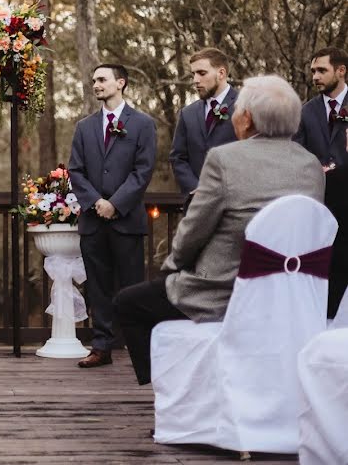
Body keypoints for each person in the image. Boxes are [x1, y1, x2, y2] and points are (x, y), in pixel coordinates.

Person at [115, 75, 324, 385]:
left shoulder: (225, 159)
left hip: (226, 291)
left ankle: (173, 398)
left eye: (239, 110)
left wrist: (171, 267)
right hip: (289, 294)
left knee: (127, 303)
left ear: (248, 119)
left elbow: (194, 231)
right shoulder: (310, 165)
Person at [68, 64, 157, 369]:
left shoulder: (143, 124)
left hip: (126, 220)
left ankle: (139, 349)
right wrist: (95, 202)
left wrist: (116, 204)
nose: (96, 84)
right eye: (93, 80)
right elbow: (75, 171)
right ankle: (101, 346)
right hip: (93, 221)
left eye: (102, 80)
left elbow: (143, 170)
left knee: (132, 287)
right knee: (98, 286)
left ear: (121, 83)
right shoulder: (84, 127)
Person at [294, 47, 348, 318]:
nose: (315, 76)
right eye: (313, 70)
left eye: (322, 70)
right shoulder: (306, 112)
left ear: (341, 71)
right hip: (319, 203)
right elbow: (295, 152)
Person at [169, 48, 238, 210]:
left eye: (201, 73)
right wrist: (196, 189)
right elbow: (178, 158)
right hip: (196, 207)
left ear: (221, 73)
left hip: (234, 205)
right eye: (193, 74)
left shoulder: (245, 106)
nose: (195, 80)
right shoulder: (188, 113)